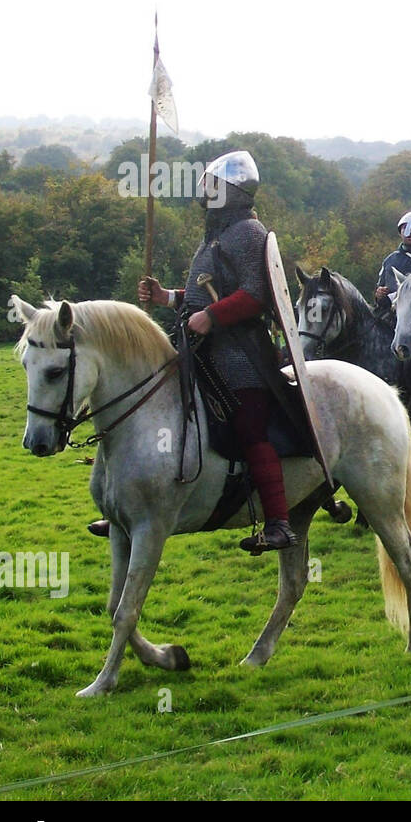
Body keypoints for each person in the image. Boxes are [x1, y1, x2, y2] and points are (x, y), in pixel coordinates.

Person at [137, 150, 295, 555]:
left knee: (249, 428)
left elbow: (257, 295)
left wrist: (213, 315)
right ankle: (134, 509)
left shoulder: (248, 233)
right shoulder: (214, 238)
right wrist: (166, 296)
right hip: (200, 351)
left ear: (232, 190)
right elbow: (195, 299)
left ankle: (278, 521)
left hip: (242, 357)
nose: (205, 191)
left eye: (213, 184)